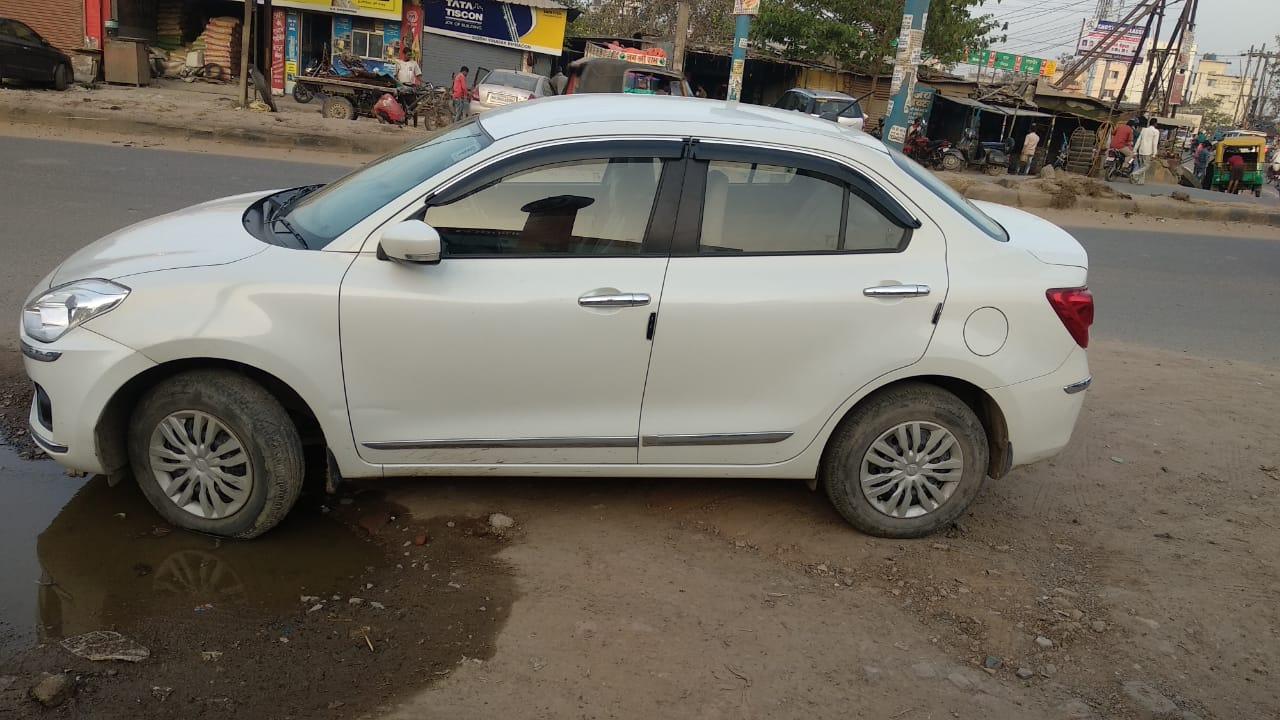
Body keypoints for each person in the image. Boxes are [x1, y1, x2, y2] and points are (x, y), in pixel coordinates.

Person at [1133, 117, 1160, 185]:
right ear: (1155, 124)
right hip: (1148, 151)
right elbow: (1155, 143)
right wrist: (1154, 154)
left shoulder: (1144, 129)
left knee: (1142, 166)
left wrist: (1135, 150)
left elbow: (1139, 140)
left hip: (1141, 150)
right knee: (1146, 166)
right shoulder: (1156, 131)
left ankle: (1140, 181)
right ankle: (1135, 173)